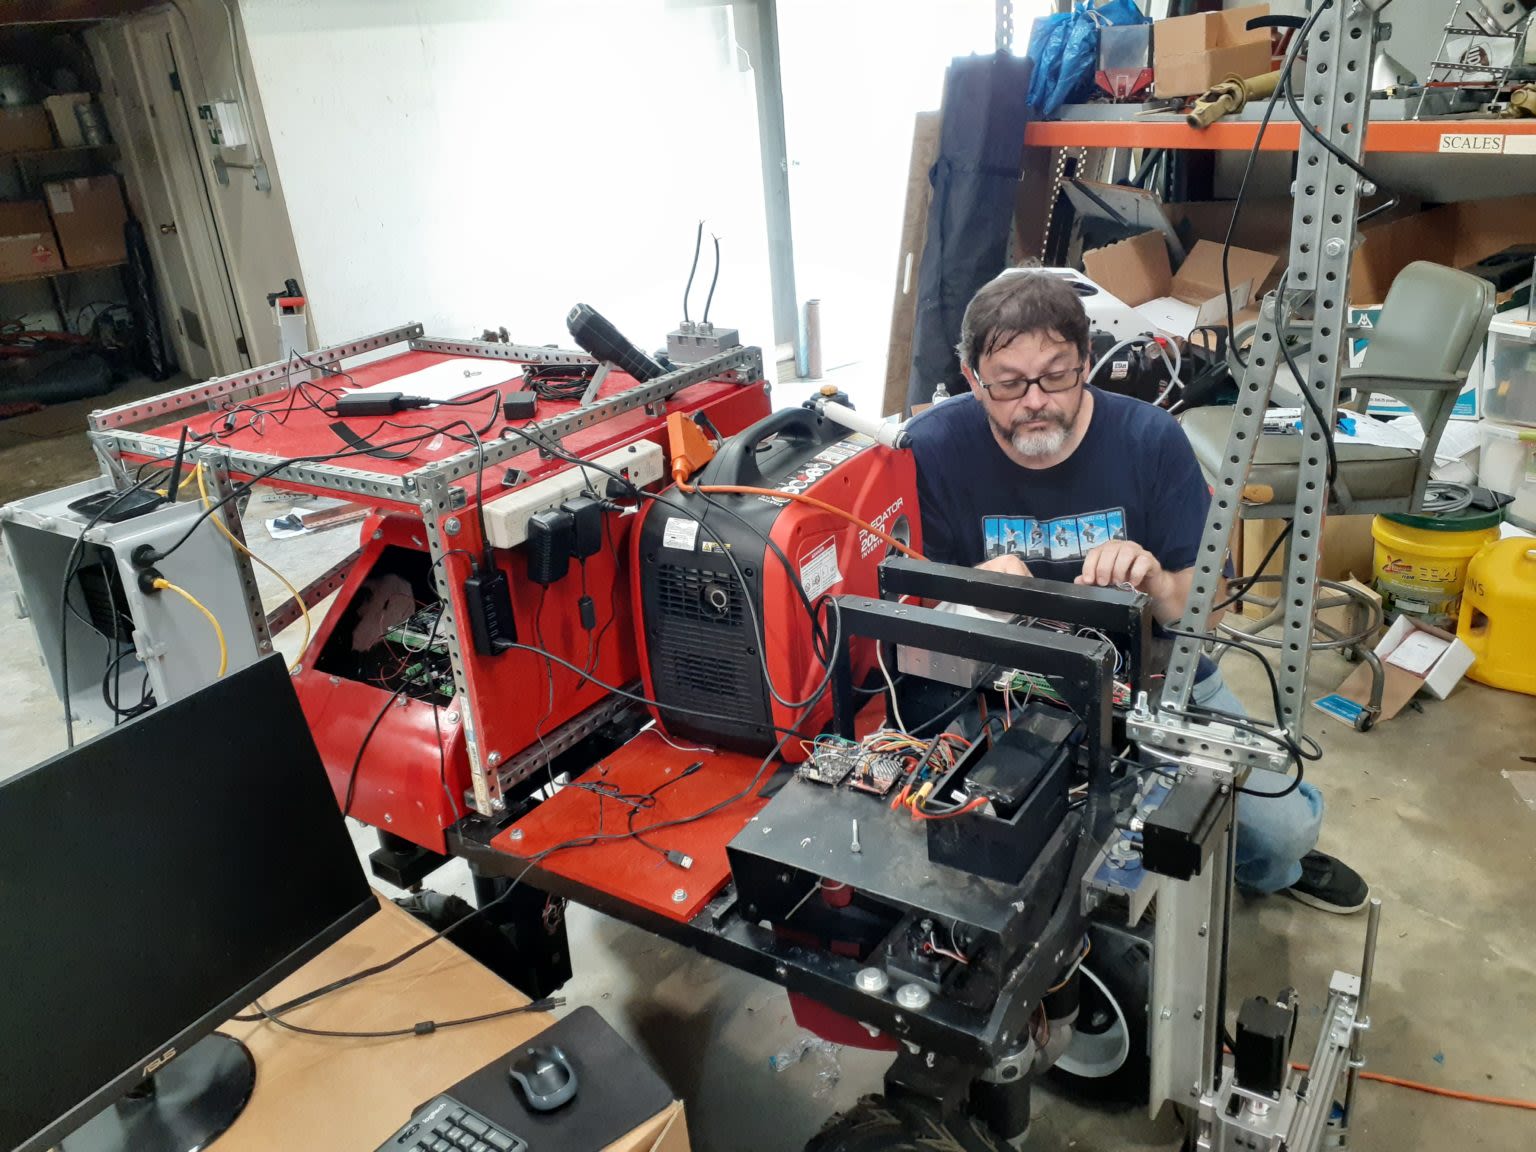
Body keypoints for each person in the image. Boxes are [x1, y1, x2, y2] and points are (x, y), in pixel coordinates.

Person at [906, 271, 1368, 914]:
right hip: (998, 682)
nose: (1035, 400)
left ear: (1087, 363)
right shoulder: (929, 450)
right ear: (971, 376)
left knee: (1280, 832)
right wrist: (971, 594)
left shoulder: (1150, 438)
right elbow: (904, 612)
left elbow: (1216, 600)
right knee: (938, 824)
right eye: (1009, 384)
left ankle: (1268, 863)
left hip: (1154, 674)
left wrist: (1154, 583)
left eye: (1057, 375)